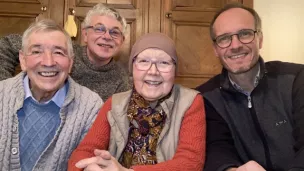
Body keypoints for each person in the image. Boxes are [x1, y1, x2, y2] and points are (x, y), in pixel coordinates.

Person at [68, 32, 206, 171]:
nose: (153, 71)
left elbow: (190, 163)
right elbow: (84, 151)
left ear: (174, 70)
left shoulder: (190, 102)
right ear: (132, 68)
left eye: (164, 63)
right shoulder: (114, 103)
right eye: (144, 61)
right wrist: (87, 167)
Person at [196, 3, 304, 171]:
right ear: (216, 49)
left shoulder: (296, 78)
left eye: (245, 34)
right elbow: (217, 150)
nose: (235, 45)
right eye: (224, 38)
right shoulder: (206, 96)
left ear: (260, 39)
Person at [0, 19, 103, 171]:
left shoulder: (91, 107)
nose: (48, 62)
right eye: (36, 51)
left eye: (58, 52)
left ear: (70, 62)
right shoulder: (2, 95)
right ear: (23, 60)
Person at [0, 3, 130, 101]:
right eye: (99, 29)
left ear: (122, 41)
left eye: (115, 32)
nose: (107, 36)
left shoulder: (121, 80)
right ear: (85, 34)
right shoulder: (62, 50)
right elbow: (5, 45)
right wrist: (9, 91)